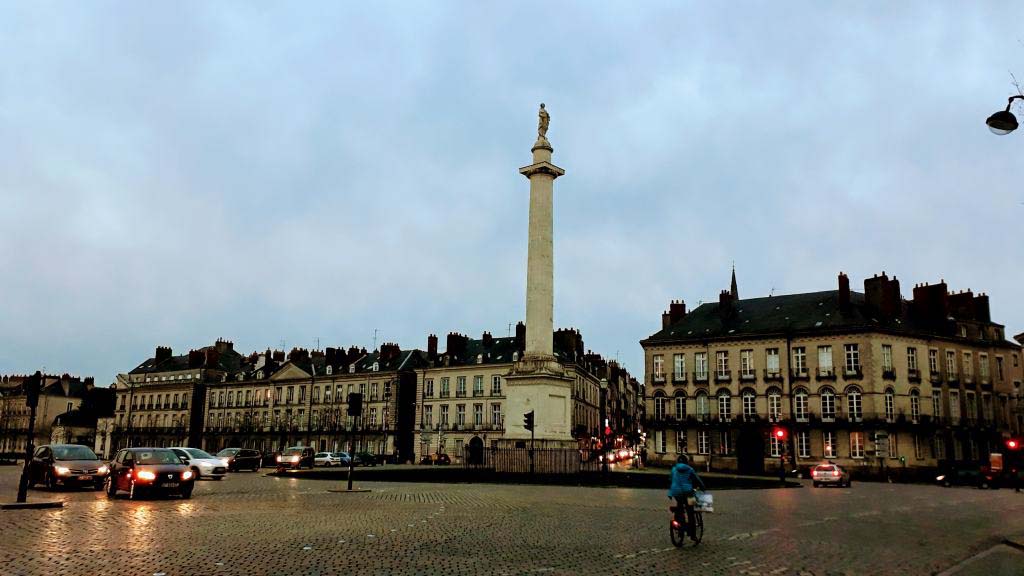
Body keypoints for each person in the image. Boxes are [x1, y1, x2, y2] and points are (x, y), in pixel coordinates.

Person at [667, 454, 706, 540]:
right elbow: (697, 480)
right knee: (690, 512)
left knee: (679, 509)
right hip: (688, 492)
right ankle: (692, 534)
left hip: (676, 492)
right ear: (686, 462)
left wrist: (671, 492)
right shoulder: (690, 469)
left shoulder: (674, 469)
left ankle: (679, 526)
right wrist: (703, 488)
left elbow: (670, 479)